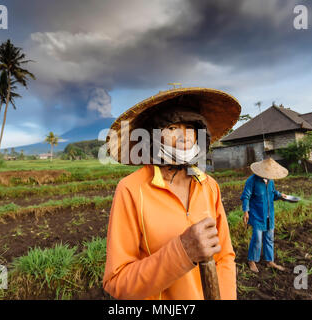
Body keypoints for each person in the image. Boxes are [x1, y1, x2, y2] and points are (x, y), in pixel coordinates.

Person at [102, 87, 242, 299]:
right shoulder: (131, 189)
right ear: (154, 137)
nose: (184, 136)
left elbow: (224, 257)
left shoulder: (209, 185)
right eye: (173, 127)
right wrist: (182, 252)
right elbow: (118, 282)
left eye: (189, 127)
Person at [240, 157, 289, 273]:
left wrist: (280, 195)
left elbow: (272, 193)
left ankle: (269, 261)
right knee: (257, 238)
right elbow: (246, 196)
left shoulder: (270, 181)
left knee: (269, 238)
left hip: (269, 215)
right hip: (257, 215)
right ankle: (252, 260)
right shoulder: (252, 181)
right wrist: (246, 212)